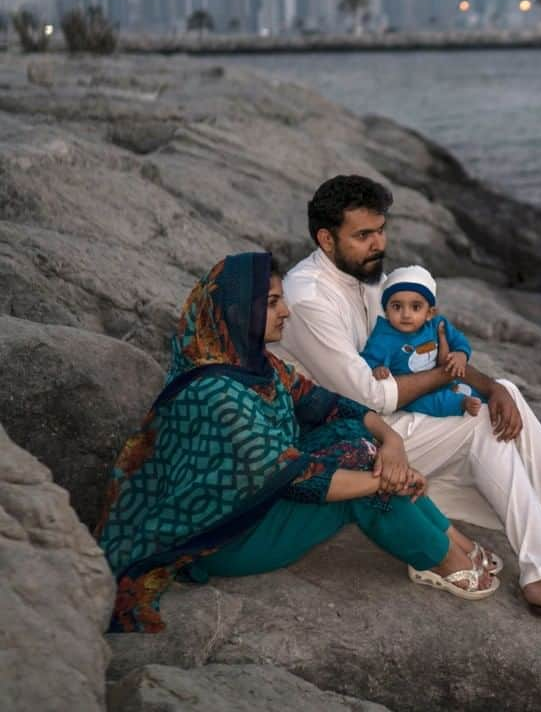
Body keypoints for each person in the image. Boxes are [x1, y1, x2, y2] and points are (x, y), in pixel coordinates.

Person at [278, 175, 541, 634]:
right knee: (480, 424)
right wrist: (457, 383)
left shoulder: (367, 278)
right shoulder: (308, 297)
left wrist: (491, 385)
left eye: (381, 230)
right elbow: (369, 395)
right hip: (351, 436)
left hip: (392, 420)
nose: (378, 243)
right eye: (364, 235)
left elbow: (422, 357)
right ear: (326, 239)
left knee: (505, 394)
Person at [96, 252, 499, 634]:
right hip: (226, 535)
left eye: (281, 301)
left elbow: (326, 404)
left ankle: (450, 538)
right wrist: (387, 480)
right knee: (364, 481)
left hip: (256, 501)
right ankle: (441, 558)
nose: (286, 311)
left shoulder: (256, 365)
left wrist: (391, 440)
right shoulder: (218, 393)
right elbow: (296, 478)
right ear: (238, 312)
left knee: (360, 440)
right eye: (272, 303)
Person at [363, 264, 484, 418]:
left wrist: (461, 354)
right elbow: (366, 362)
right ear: (386, 311)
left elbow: (459, 339)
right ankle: (461, 404)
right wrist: (376, 370)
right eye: (397, 306)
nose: (406, 314)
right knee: (430, 402)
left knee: (468, 388)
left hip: (442, 382)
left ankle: (470, 398)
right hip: (412, 393)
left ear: (429, 313)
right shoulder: (383, 337)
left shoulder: (436, 325)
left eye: (415, 307)